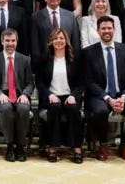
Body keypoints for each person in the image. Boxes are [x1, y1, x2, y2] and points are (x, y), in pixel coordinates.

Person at [83, 15, 125, 161]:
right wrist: (108, 99)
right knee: (100, 111)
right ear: (98, 31)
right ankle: (103, 144)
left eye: (109, 28)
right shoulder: (89, 52)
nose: (107, 31)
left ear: (114, 29)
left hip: (122, 94)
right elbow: (89, 81)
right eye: (103, 28)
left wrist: (123, 98)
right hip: (100, 95)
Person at [35, 29, 84, 163]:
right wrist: (49, 94)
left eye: (61, 38)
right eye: (56, 38)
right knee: (55, 108)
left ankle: (77, 148)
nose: (59, 41)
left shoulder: (75, 59)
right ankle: (53, 147)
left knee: (74, 109)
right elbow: (39, 82)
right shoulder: (44, 59)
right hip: (51, 96)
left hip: (70, 96)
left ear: (66, 41)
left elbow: (81, 83)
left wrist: (74, 95)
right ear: (51, 41)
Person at [0, 28, 33, 162]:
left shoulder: (25, 60)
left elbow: (30, 83)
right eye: (7, 40)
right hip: (2, 94)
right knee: (6, 108)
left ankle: (20, 146)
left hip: (19, 94)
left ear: (17, 42)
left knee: (24, 108)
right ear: (2, 42)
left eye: (13, 40)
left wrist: (25, 94)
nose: (10, 43)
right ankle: (10, 147)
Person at [31, 0, 80, 66]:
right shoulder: (36, 17)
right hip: (45, 64)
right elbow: (35, 45)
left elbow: (75, 41)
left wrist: (75, 63)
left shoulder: (70, 16)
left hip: (67, 63)